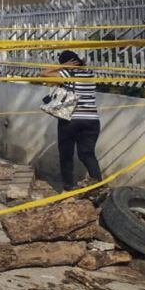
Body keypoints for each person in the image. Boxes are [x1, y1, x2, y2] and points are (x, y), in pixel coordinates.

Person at [41, 50, 102, 191]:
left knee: (66, 155)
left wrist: (62, 66)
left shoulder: (68, 74)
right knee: (87, 154)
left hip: (70, 120)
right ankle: (99, 186)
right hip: (92, 121)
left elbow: (43, 73)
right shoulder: (90, 74)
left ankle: (68, 187)